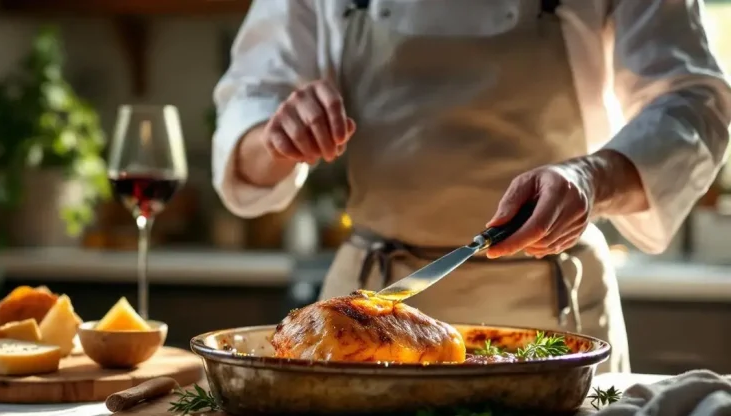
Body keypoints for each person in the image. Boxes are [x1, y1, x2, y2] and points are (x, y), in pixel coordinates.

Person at [211, 0, 731, 373]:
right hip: (362, 324)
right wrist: (277, 136)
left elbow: (695, 104)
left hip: (555, 318)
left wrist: (592, 177)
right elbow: (249, 113)